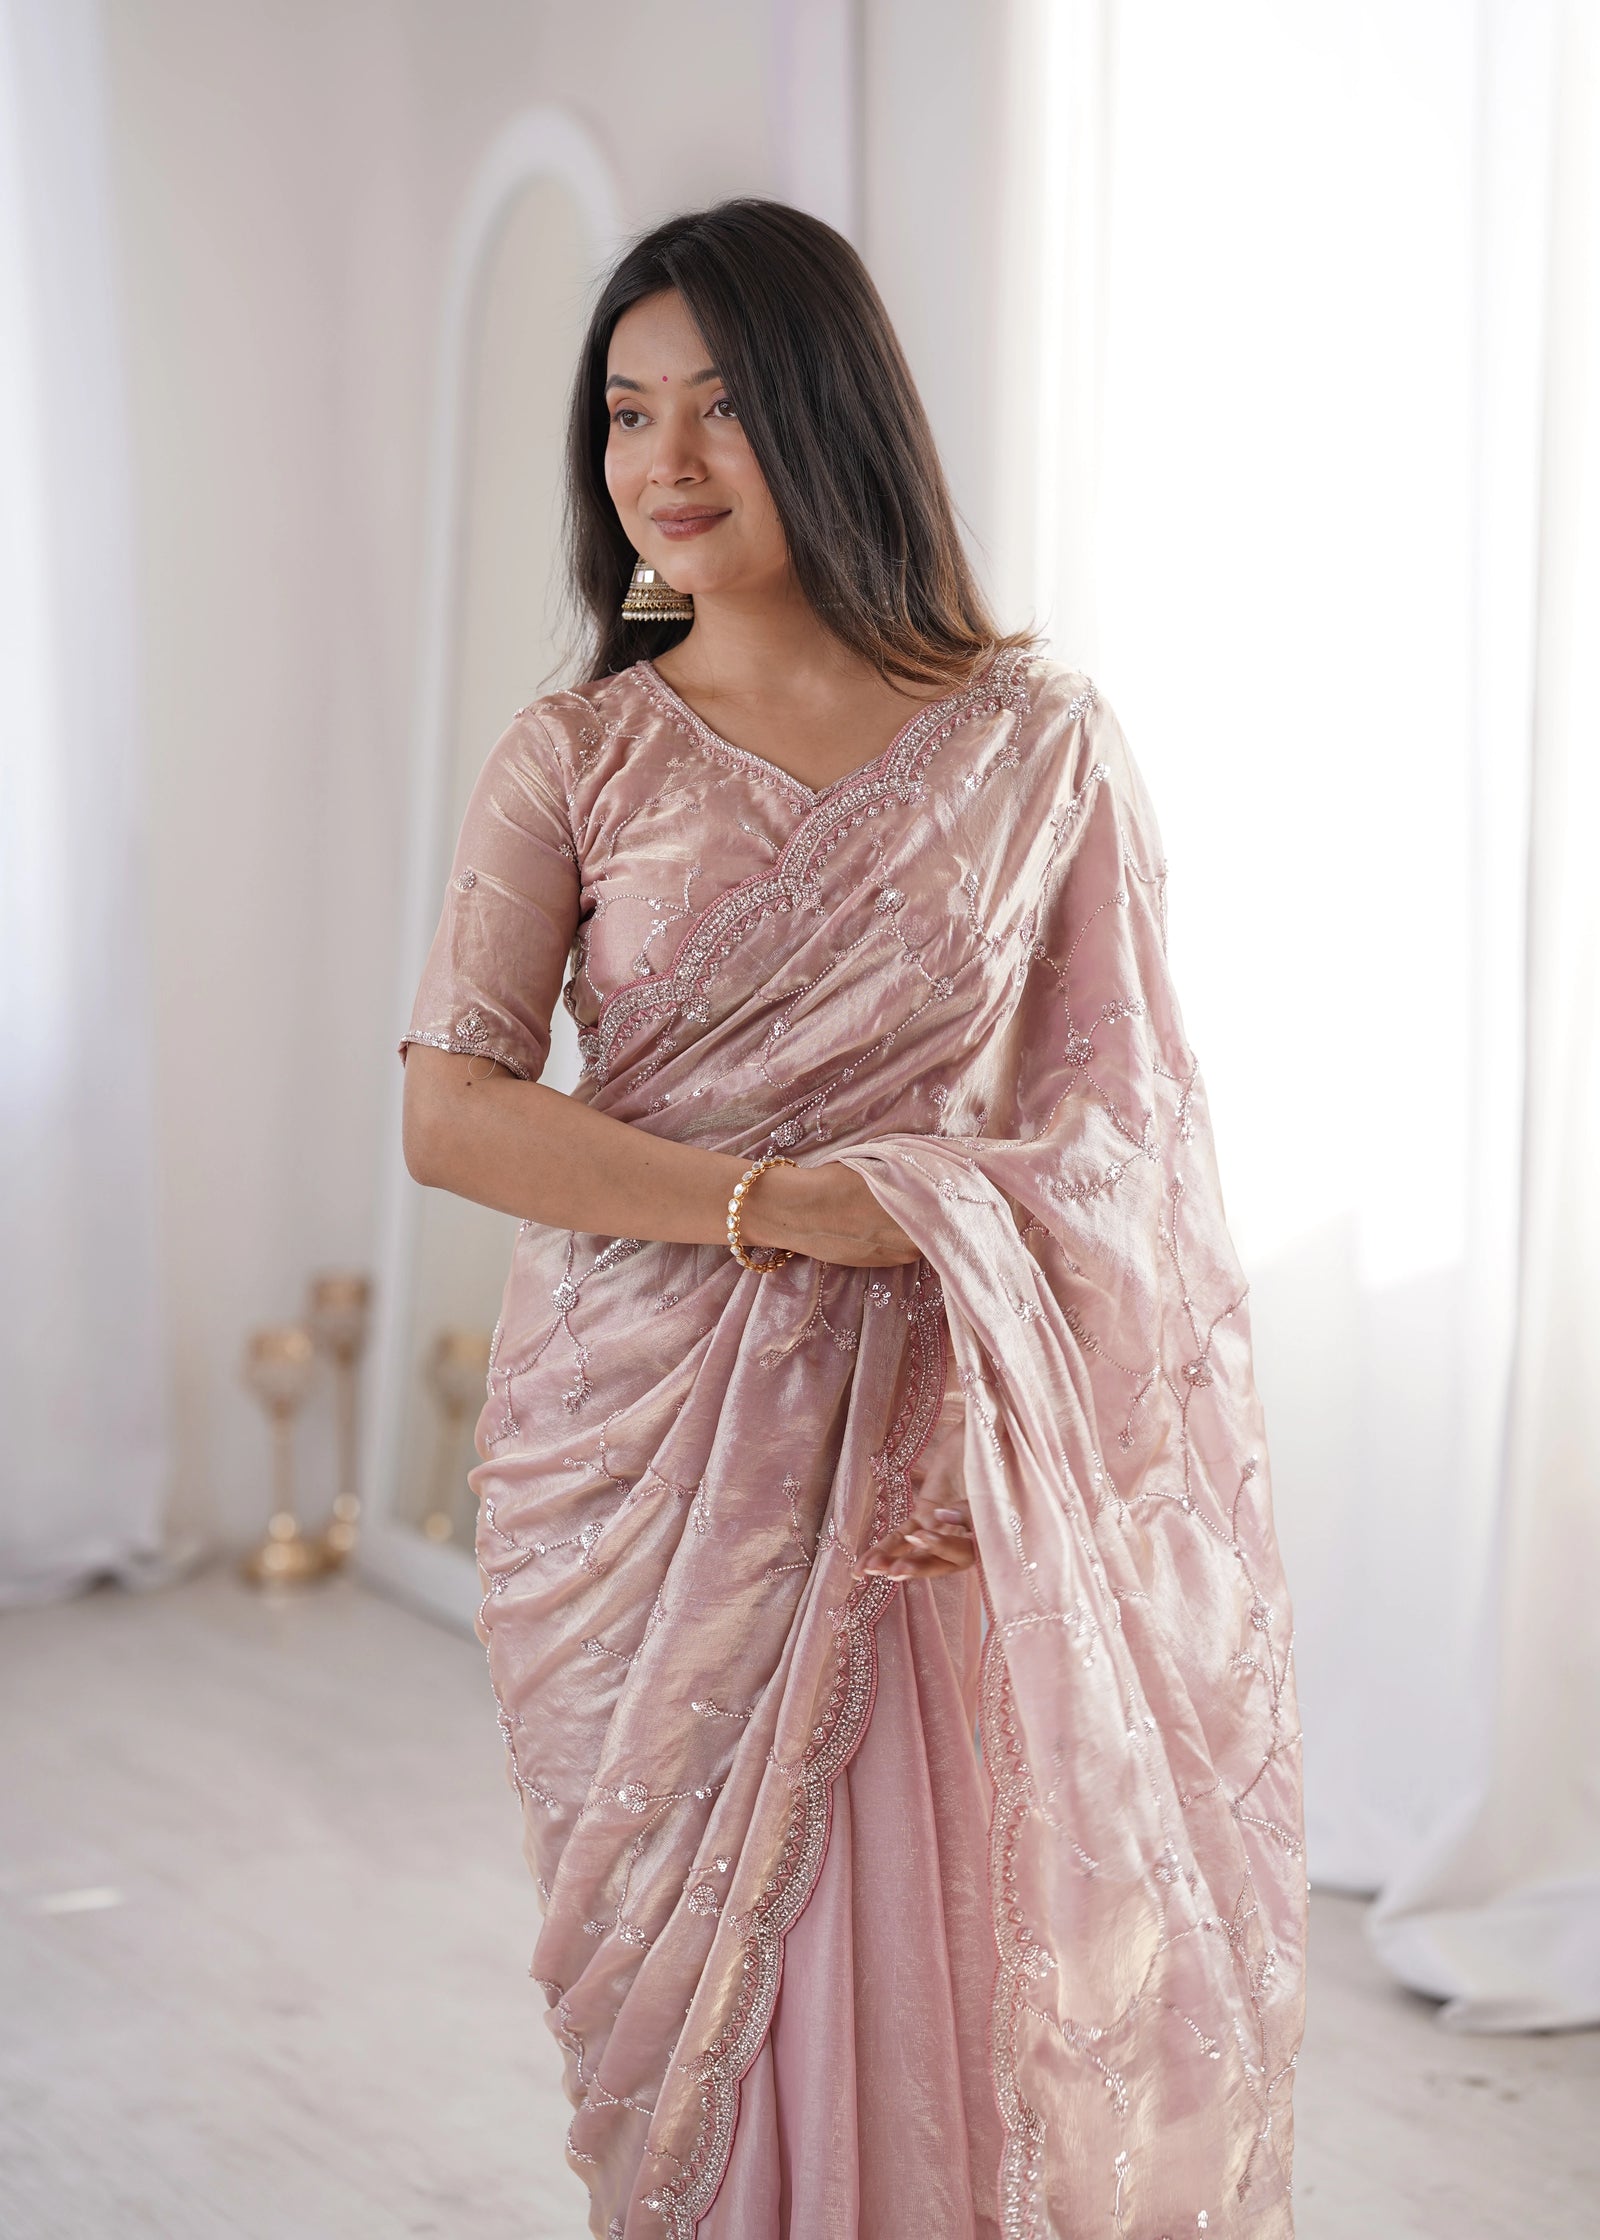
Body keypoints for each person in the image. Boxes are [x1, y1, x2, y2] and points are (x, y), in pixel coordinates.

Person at [400, 198, 1305, 2240]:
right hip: (643, 1459)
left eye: (721, 406)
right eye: (627, 413)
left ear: (832, 416)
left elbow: (1130, 1133)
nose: (667, 461)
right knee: (697, 1990)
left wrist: (933, 1221)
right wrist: (788, 1208)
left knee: (943, 1936)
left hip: (935, 1447)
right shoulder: (577, 756)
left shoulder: (1035, 740)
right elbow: (448, 1112)